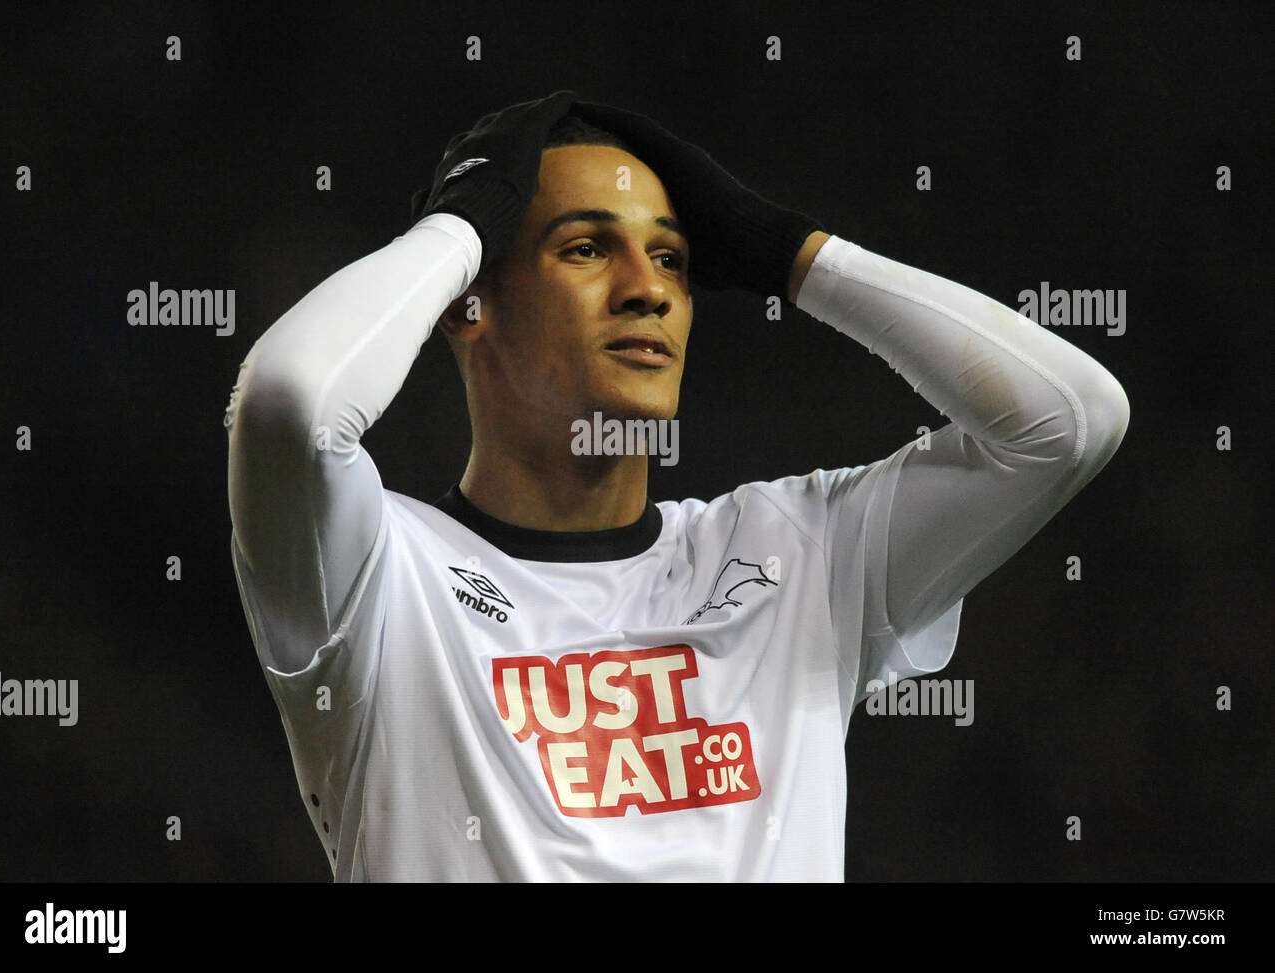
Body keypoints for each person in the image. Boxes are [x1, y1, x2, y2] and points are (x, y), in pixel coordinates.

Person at [224, 90, 1130, 880]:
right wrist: (459, 224)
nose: (646, 290)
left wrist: (787, 251)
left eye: (672, 260)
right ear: (469, 303)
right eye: (585, 249)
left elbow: (1072, 421)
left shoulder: (801, 553)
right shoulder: (378, 578)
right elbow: (291, 401)